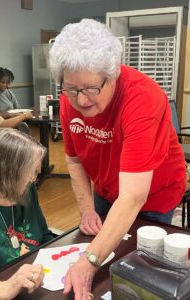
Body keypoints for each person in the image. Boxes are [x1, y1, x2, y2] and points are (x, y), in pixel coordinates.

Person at [49, 19, 186, 299]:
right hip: (107, 185)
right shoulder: (70, 97)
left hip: (154, 193)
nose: (81, 100)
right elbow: (74, 159)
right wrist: (87, 210)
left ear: (112, 75)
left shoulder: (142, 99)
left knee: (142, 266)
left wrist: (88, 264)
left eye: (90, 89)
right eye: (72, 89)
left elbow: (133, 197)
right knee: (103, 248)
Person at [0, 128, 54, 299]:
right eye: (30, 173)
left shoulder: (26, 189)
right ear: (5, 173)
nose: (34, 179)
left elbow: (43, 235)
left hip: (31, 280)